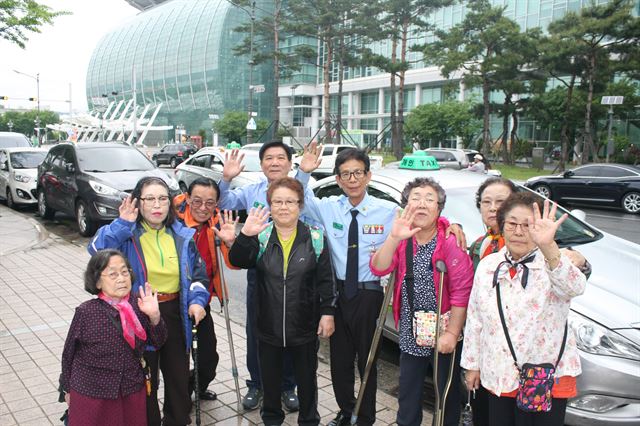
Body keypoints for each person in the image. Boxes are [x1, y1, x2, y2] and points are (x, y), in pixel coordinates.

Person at [467, 177, 591, 425]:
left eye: (528, 225)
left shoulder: (553, 262)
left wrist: (550, 248)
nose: (519, 232)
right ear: (501, 226)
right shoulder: (490, 264)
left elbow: (575, 286)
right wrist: (472, 364)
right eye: (512, 224)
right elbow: (475, 318)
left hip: (544, 377)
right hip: (499, 371)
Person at [88, 176, 210, 426]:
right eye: (150, 199)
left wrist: (197, 300)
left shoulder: (182, 235)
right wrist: (122, 224)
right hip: (139, 312)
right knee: (146, 379)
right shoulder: (127, 233)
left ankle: (177, 421)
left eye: (163, 198)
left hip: (176, 312)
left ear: (170, 203)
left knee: (177, 376)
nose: (157, 205)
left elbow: (198, 275)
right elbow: (95, 249)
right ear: (138, 203)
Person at [218, 140, 321, 411]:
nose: (274, 163)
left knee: (290, 332)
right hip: (262, 271)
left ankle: (287, 386)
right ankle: (257, 384)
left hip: (296, 273)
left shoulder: (302, 190)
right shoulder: (251, 190)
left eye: (280, 158)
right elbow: (224, 202)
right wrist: (226, 179)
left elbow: (309, 209)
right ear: (261, 164)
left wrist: (306, 174)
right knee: (257, 331)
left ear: (290, 162)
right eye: (268, 158)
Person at [228, 177, 337, 425]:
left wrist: (328, 312)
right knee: (270, 381)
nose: (284, 207)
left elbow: (326, 280)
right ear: (270, 205)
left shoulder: (316, 237)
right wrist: (245, 235)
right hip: (267, 326)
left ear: (300, 205)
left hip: (304, 327)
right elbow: (238, 260)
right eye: (277, 201)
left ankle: (309, 420)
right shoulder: (262, 235)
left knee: (307, 381)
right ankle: (271, 419)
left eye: (290, 201)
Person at [369, 177, 474, 426]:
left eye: (430, 199)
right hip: (410, 328)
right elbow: (379, 268)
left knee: (444, 394)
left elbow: (462, 292)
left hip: (444, 329)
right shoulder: (403, 237)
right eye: (416, 198)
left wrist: (452, 333)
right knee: (408, 392)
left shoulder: (450, 241)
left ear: (439, 208)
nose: (422, 204)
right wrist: (394, 237)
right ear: (406, 205)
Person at [60, 249, 167, 426]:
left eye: (125, 272)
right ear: (98, 281)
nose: (121, 278)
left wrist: (155, 316)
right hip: (92, 391)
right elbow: (68, 353)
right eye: (113, 274)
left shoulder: (140, 304)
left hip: (131, 388)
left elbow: (158, 342)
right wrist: (66, 388)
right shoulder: (87, 311)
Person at [173, 177, 239, 402]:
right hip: (173, 300)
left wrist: (231, 243)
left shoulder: (217, 222)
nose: (203, 208)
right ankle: (180, 398)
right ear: (188, 198)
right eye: (197, 201)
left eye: (210, 203)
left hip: (201, 301)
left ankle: (196, 386)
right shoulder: (174, 220)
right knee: (178, 357)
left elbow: (233, 264)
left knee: (209, 358)